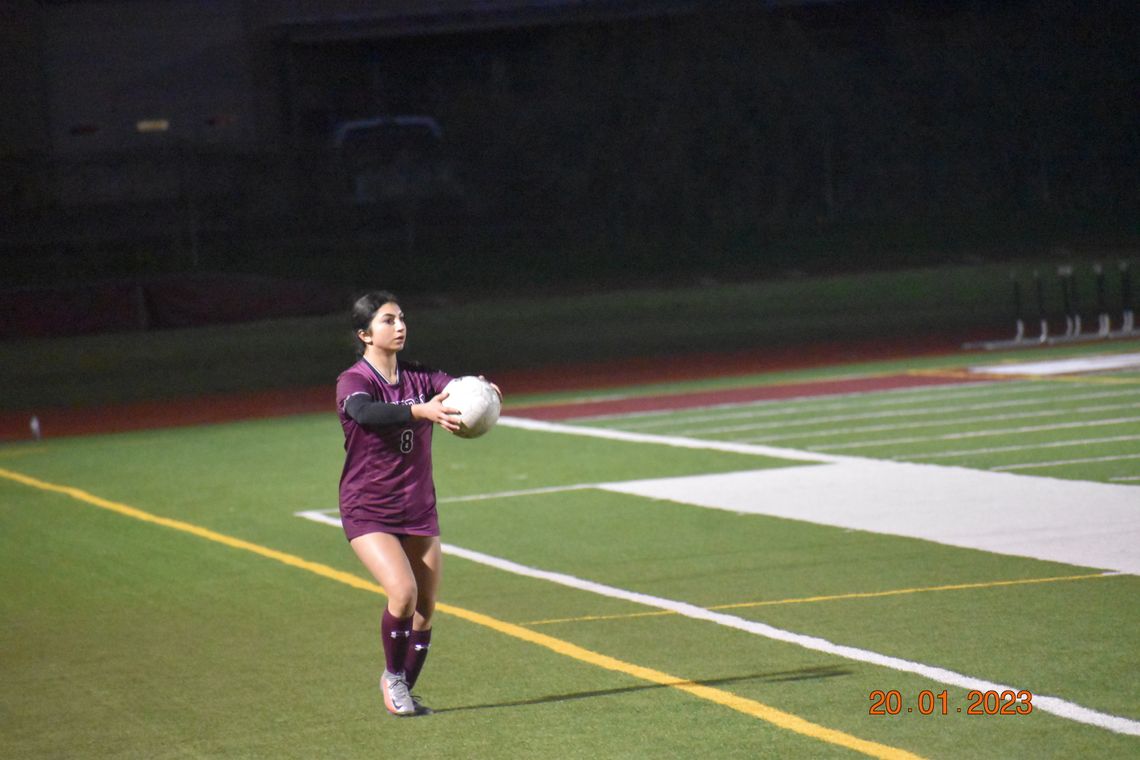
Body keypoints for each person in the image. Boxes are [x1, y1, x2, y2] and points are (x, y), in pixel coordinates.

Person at [335, 290, 497, 717]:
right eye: (388, 321)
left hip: (418, 507)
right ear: (365, 334)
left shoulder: (420, 378)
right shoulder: (354, 381)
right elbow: (366, 414)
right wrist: (418, 413)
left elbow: (455, 388)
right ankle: (392, 677)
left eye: (401, 318)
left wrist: (481, 391)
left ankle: (404, 688)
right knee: (402, 593)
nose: (400, 326)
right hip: (368, 508)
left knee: (425, 610)